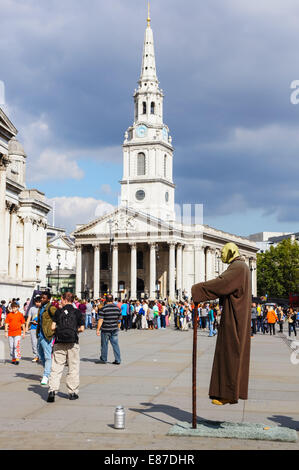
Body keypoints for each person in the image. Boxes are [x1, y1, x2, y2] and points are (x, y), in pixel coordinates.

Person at [191, 242, 251, 406]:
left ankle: (228, 393)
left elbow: (221, 284)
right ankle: (228, 393)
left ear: (231, 252)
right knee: (230, 354)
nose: (220, 256)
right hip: (235, 315)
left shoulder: (238, 267)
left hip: (234, 317)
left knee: (229, 353)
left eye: (222, 253)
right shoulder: (241, 267)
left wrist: (197, 290)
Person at [47, 292, 85, 403]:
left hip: (59, 342)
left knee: (56, 368)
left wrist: (60, 329)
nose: (60, 301)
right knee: (73, 368)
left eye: (61, 299)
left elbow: (53, 327)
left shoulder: (58, 311)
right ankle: (72, 392)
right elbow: (82, 328)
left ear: (64, 299)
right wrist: (73, 330)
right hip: (73, 343)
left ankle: (52, 391)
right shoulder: (77, 312)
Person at [36, 291, 57, 385]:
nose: (41, 299)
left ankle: (46, 375)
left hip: (47, 335)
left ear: (48, 299)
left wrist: (53, 328)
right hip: (40, 334)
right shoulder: (40, 308)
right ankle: (49, 370)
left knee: (48, 356)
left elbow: (58, 317)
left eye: (44, 298)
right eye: (41, 297)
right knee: (40, 355)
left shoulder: (51, 308)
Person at [96, 295, 122, 364]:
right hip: (114, 329)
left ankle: (104, 359)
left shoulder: (103, 309)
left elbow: (100, 320)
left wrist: (98, 329)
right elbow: (119, 320)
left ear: (106, 300)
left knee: (104, 345)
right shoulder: (117, 308)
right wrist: (118, 327)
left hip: (105, 329)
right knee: (115, 344)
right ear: (113, 300)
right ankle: (118, 359)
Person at [25, 295, 42, 362]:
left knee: (40, 343)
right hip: (33, 328)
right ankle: (36, 356)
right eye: (36, 302)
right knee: (34, 343)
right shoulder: (32, 309)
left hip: (41, 328)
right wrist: (26, 327)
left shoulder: (43, 308)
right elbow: (29, 318)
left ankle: (41, 356)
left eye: (39, 302)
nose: (37, 303)